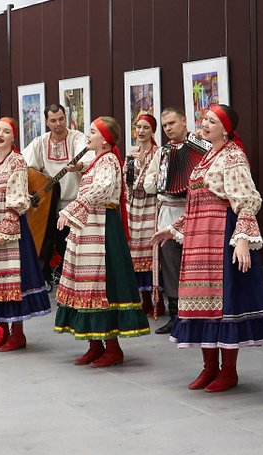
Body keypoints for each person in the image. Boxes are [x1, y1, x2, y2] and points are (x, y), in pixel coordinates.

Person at [153, 104, 263, 392]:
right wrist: (173, 229)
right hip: (199, 237)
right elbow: (196, 203)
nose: (205, 124)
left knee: (223, 303)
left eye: (212, 121)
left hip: (219, 235)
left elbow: (247, 199)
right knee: (201, 301)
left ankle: (228, 371)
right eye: (205, 119)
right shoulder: (208, 155)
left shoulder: (233, 156)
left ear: (226, 128)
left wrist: (244, 238)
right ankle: (209, 367)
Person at [54, 116, 151, 366]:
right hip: (88, 226)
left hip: (102, 226)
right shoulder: (97, 159)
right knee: (85, 282)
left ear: (105, 140)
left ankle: (112, 348)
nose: (88, 135)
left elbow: (101, 190)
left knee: (102, 284)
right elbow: (88, 170)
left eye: (93, 132)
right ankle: (94, 343)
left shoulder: (108, 160)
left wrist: (73, 207)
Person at [0, 116, 51, 352]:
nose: (0, 134)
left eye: (6, 131)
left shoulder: (17, 162)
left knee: (11, 279)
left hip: (10, 230)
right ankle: (2, 332)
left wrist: (6, 225)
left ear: (13, 137)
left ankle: (17, 334)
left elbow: (18, 198)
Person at [153, 107, 210, 333]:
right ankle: (175, 314)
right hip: (169, 210)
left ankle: (198, 313)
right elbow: (152, 180)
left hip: (194, 212)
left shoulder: (201, 145)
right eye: (165, 125)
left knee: (196, 262)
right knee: (170, 263)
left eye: (172, 123)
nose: (168, 128)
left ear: (184, 121)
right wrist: (158, 181)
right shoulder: (164, 151)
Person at [23, 103, 88, 286]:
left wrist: (79, 166)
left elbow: (89, 158)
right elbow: (24, 165)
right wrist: (34, 188)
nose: (58, 123)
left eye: (61, 119)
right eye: (53, 120)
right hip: (47, 204)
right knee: (45, 241)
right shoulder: (40, 142)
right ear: (46, 122)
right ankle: (45, 277)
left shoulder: (78, 139)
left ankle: (71, 281)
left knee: (66, 244)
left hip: (72, 203)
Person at [125, 113, 161, 313]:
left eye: (145, 127)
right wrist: (133, 167)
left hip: (151, 206)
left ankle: (158, 297)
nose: (141, 131)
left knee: (150, 249)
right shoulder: (132, 153)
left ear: (152, 130)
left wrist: (140, 166)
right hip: (134, 207)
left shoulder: (158, 153)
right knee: (135, 250)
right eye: (138, 127)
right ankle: (143, 296)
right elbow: (129, 185)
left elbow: (151, 184)